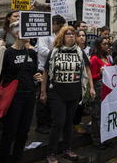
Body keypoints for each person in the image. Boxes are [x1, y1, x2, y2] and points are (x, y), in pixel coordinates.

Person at [40, 26, 96, 163]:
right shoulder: (54, 52)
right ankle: (51, 153)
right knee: (58, 121)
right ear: (62, 36)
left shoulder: (79, 52)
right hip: (56, 92)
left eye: (73, 34)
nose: (71, 36)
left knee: (68, 122)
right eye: (68, 34)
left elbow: (87, 70)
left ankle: (67, 149)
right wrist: (42, 92)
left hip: (74, 93)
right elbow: (46, 72)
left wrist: (91, 88)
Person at [0, 21, 42, 163]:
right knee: (9, 132)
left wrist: (36, 77)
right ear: (17, 34)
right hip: (14, 97)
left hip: (29, 96)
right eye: (26, 31)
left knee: (23, 132)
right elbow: (1, 75)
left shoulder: (31, 53)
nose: (30, 33)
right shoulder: (7, 53)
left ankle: (17, 159)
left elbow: (32, 72)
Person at [36, 14, 66, 134]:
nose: (60, 28)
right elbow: (42, 51)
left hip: (53, 70)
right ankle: (41, 123)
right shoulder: (44, 34)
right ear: (54, 23)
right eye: (59, 26)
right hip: (44, 70)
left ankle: (48, 120)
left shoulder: (54, 35)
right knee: (43, 97)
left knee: (50, 97)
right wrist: (57, 52)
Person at [89, 37, 111, 149]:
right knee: (97, 116)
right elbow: (90, 77)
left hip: (107, 90)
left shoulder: (107, 58)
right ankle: (97, 140)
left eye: (107, 44)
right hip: (97, 90)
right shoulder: (94, 59)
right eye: (104, 44)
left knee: (105, 115)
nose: (107, 46)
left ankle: (105, 137)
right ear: (99, 46)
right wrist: (100, 75)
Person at [72, 29, 91, 134]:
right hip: (75, 80)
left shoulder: (90, 49)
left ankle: (76, 123)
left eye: (83, 35)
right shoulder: (73, 49)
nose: (81, 37)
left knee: (81, 102)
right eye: (79, 35)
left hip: (85, 80)